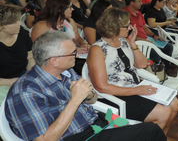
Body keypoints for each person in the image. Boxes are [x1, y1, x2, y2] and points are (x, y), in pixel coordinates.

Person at [5, 31, 167, 141]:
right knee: (151, 131)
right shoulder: (26, 92)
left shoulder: (65, 72)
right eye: (72, 53)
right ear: (54, 60)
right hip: (77, 136)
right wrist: (75, 100)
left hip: (95, 122)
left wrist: (88, 95)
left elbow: (92, 99)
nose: (76, 55)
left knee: (142, 130)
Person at [87, 8, 178, 135]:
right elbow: (101, 87)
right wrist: (136, 90)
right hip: (115, 94)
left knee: (174, 104)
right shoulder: (97, 50)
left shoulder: (123, 41)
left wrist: (133, 44)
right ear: (114, 27)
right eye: (126, 25)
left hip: (134, 86)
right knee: (164, 113)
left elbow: (141, 64)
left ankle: (159, 138)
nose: (130, 27)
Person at [124, 0, 174, 71]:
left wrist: (154, 36)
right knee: (155, 52)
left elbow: (145, 28)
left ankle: (164, 71)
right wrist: (145, 41)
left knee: (168, 47)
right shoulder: (124, 15)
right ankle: (155, 73)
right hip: (136, 42)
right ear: (131, 2)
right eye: (139, 1)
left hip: (146, 39)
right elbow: (127, 36)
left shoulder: (138, 13)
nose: (142, 3)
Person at [0, 5, 35, 93]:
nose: (20, 23)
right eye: (15, 21)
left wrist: (33, 74)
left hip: (22, 75)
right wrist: (10, 82)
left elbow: (29, 57)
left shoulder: (22, 34)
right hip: (3, 81)